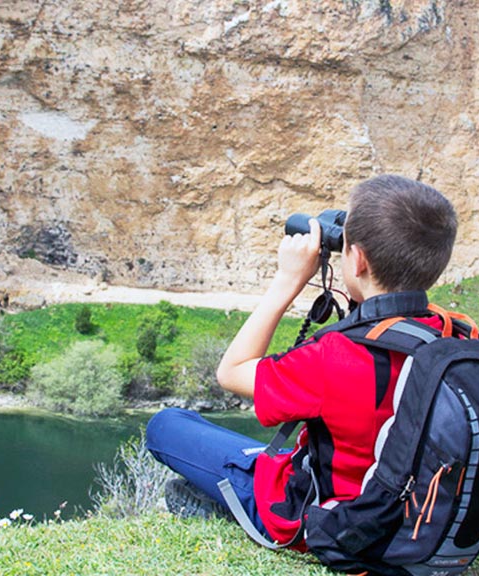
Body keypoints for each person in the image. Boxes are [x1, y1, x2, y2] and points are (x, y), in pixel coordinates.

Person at [145, 174, 459, 548]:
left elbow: (230, 372)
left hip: (329, 522)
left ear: (356, 258)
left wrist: (288, 279)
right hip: (417, 521)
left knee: (167, 425)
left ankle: (232, 508)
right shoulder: (453, 333)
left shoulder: (337, 356)